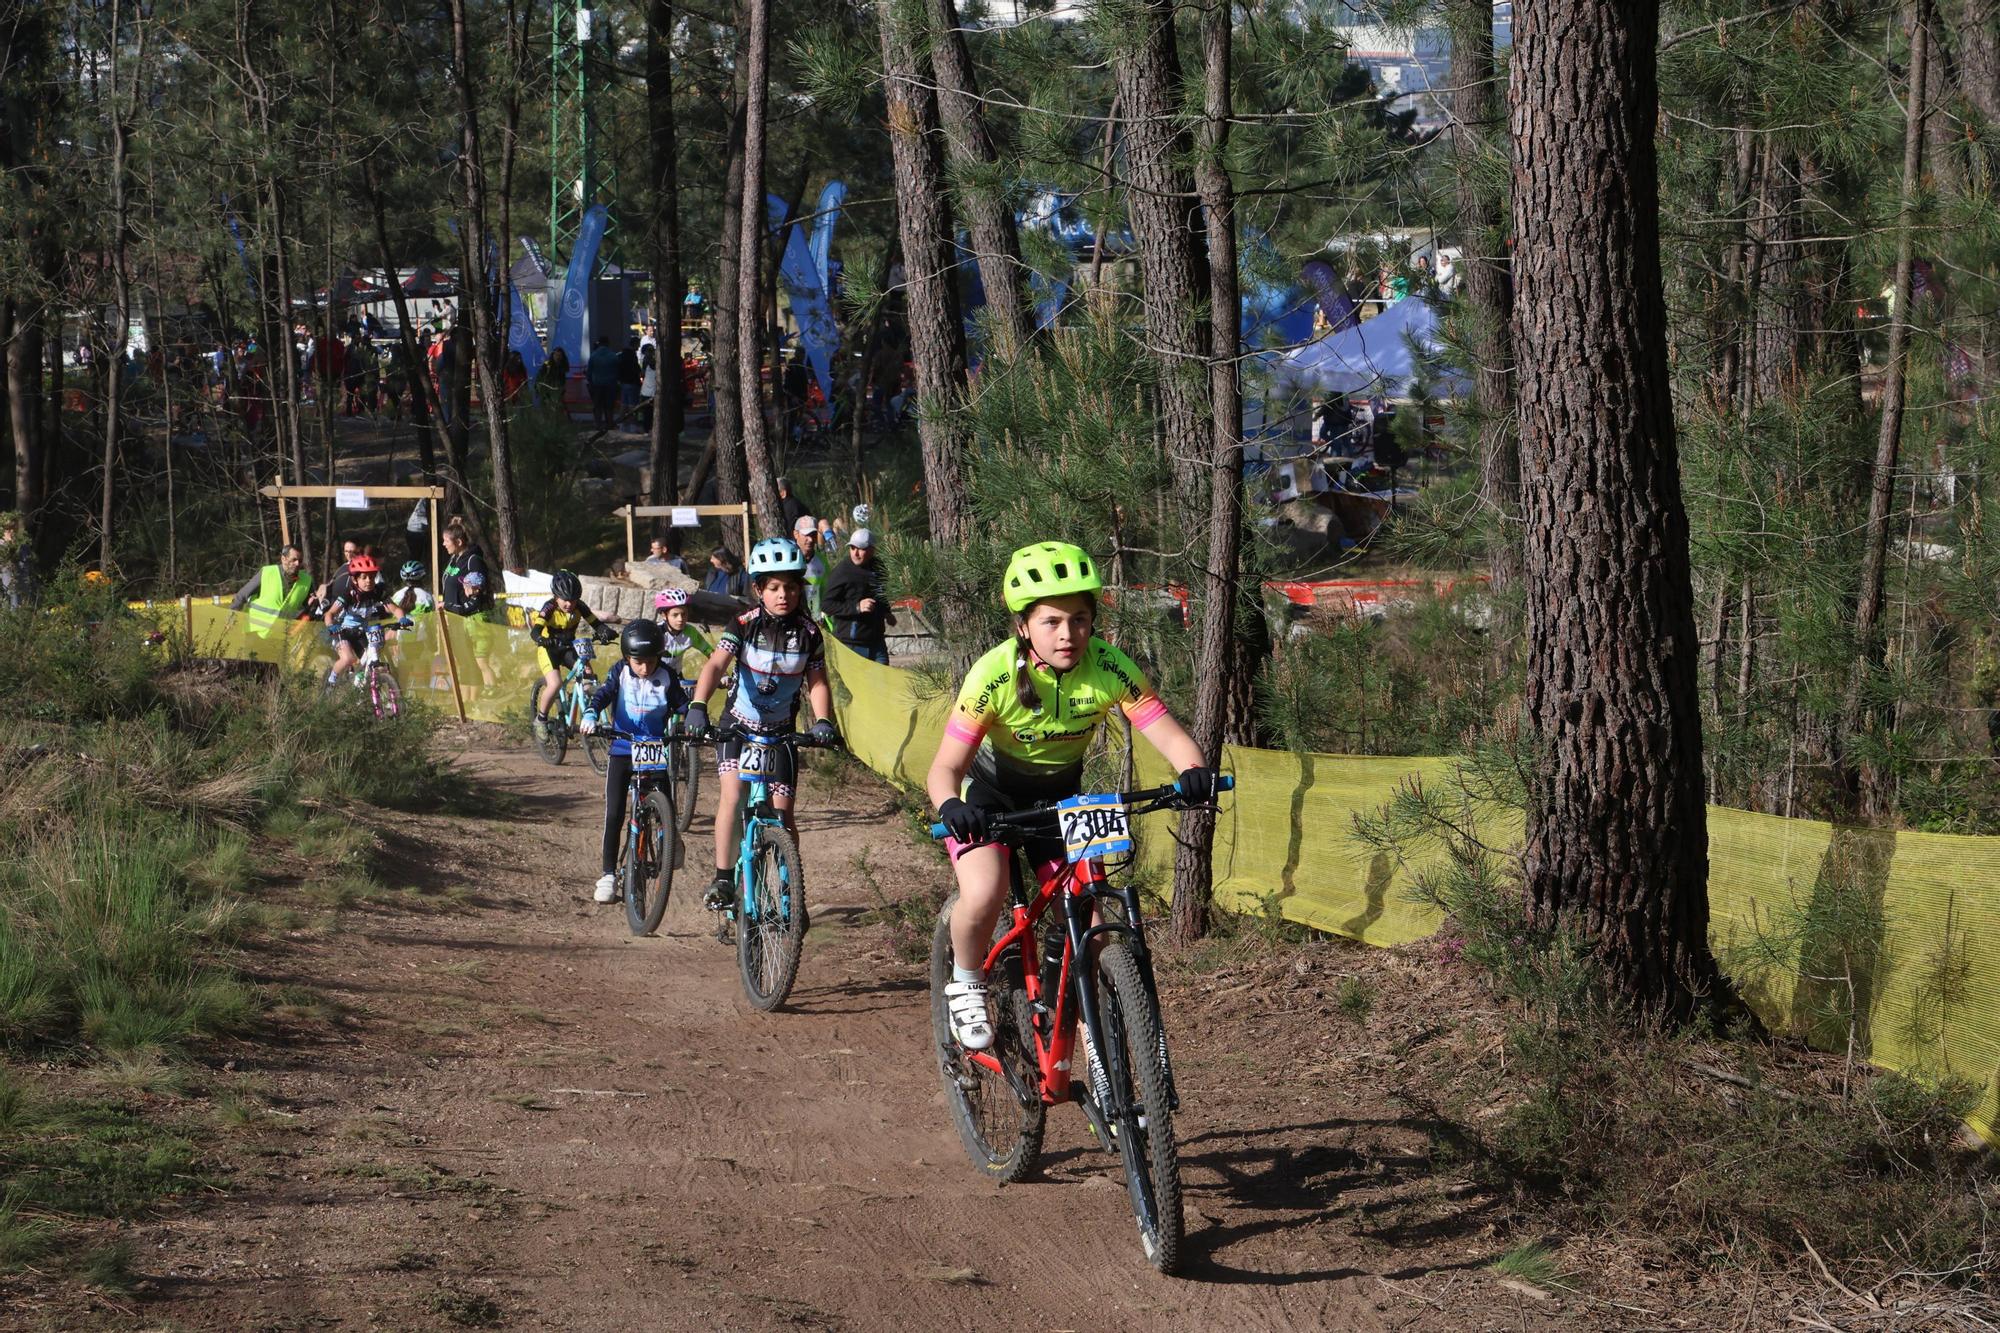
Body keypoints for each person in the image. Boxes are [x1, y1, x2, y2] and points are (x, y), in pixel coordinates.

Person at [925, 542, 1218, 1051]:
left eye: (1080, 619)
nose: (1068, 634)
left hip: (1061, 801)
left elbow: (1164, 730)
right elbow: (945, 768)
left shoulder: (1108, 665)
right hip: (991, 801)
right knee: (985, 891)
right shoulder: (992, 674)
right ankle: (967, 980)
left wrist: (1192, 769)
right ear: (1024, 626)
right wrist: (952, 805)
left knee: (1093, 925)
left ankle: (1090, 1023)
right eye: (1052, 621)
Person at [682, 538, 840, 911]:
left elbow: (816, 681)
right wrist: (698, 706)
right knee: (733, 797)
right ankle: (723, 879)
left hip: (780, 733)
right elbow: (716, 665)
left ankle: (790, 893)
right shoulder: (743, 624)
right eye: (774, 588)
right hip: (738, 726)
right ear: (759, 590)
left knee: (783, 816)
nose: (783, 594)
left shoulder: (810, 633)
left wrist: (823, 721)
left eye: (790, 586)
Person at [579, 620, 690, 903]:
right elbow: (604, 694)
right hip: (623, 749)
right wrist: (591, 713)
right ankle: (608, 874)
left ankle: (669, 837)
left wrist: (694, 718)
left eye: (650, 661)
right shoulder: (620, 672)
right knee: (614, 813)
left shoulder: (666, 675)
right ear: (627, 658)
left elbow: (682, 704)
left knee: (665, 801)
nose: (644, 668)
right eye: (638, 662)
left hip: (654, 750)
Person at [529, 569, 615, 735]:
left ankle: (586, 708)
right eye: (565, 600)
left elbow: (596, 623)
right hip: (549, 649)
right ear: (556, 596)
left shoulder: (580, 606)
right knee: (555, 684)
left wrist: (606, 632)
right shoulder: (549, 607)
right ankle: (541, 719)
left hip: (569, 647)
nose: (569, 604)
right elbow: (535, 631)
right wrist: (542, 639)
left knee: (589, 676)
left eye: (573, 600)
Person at [322, 556, 408, 685]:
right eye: (364, 577)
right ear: (354, 579)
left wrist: (402, 619)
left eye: (372, 577)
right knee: (348, 659)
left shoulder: (377, 591)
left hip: (362, 632)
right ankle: (330, 682)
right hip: (343, 631)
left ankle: (359, 684)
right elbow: (330, 613)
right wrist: (330, 625)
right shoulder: (348, 593)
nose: (369, 581)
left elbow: (395, 609)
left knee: (370, 658)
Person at [819, 529, 894, 664]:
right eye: (852, 548)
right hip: (851, 645)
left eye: (861, 549)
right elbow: (826, 605)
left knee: (881, 683)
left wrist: (887, 612)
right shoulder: (842, 572)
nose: (856, 553)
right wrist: (857, 607)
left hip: (877, 642)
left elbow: (880, 593)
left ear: (872, 550)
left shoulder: (879, 567)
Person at [230, 543, 312, 633]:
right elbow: (241, 596)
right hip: (254, 633)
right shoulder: (267, 572)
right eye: (294, 560)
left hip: (280, 636)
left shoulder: (306, 581)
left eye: (300, 560)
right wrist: (231, 619)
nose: (297, 564)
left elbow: (307, 610)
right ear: (283, 559)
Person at [653, 587, 715, 683]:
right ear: (664, 615)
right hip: (654, 677)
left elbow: (709, 652)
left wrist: (723, 675)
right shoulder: (656, 633)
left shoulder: (690, 632)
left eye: (684, 614)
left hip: (676, 677)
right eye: (675, 615)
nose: (680, 619)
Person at [439, 518, 493, 616]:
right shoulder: (453, 559)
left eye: (446, 541)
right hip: (452, 618)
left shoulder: (473, 561)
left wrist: (454, 608)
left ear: (459, 542)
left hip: (469, 621)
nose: (444, 544)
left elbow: (477, 598)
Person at [791, 515, 828, 616]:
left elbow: (827, 590)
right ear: (796, 534)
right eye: (806, 535)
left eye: (813, 534)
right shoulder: (787, 560)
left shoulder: (822, 561)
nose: (811, 539)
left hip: (816, 620)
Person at [1, 511, 38, 610]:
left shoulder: (24, 548)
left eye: (14, 528)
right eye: (8, 529)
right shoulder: (1, 548)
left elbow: (30, 571)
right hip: (7, 593)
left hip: (24, 592)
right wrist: (9, 546)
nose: (11, 532)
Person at [587, 336, 621, 430]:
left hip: (597, 384)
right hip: (610, 385)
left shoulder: (594, 355)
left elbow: (589, 371)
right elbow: (618, 370)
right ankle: (609, 423)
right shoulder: (613, 355)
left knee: (598, 406)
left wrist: (590, 381)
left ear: (599, 343)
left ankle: (598, 425)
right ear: (608, 343)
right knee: (609, 406)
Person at [618, 336, 644, 430]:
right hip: (632, 383)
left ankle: (622, 425)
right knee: (633, 406)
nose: (639, 346)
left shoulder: (622, 355)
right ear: (635, 344)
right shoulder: (632, 356)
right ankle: (633, 425)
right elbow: (636, 369)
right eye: (638, 344)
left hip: (624, 383)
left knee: (624, 404)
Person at [638, 344, 658, 433]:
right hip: (654, 390)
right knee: (653, 412)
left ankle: (646, 429)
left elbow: (642, 374)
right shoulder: (657, 363)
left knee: (646, 412)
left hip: (646, 391)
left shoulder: (646, 362)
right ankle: (652, 428)